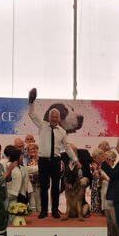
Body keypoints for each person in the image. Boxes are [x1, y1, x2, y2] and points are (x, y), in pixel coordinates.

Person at [28, 89, 77, 219]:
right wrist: (31, 101)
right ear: (49, 118)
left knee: (55, 187)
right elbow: (32, 114)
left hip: (56, 161)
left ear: (59, 118)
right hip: (43, 160)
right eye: (52, 117)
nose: (54, 119)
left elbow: (67, 147)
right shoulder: (42, 125)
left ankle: (54, 211)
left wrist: (75, 159)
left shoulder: (62, 131)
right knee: (44, 187)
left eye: (56, 117)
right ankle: (44, 211)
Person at [4, 145, 31, 210]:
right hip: (11, 194)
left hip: (20, 194)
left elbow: (32, 169)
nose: (22, 157)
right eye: (21, 155)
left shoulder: (21, 167)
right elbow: (6, 179)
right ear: (17, 157)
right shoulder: (8, 165)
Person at [25, 142, 40, 213]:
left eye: (34, 149)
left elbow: (41, 170)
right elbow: (25, 171)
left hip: (39, 185)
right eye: (30, 149)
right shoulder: (26, 161)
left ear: (37, 150)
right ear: (28, 152)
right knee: (32, 204)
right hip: (30, 185)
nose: (33, 151)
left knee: (39, 205)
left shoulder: (41, 160)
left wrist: (30, 170)